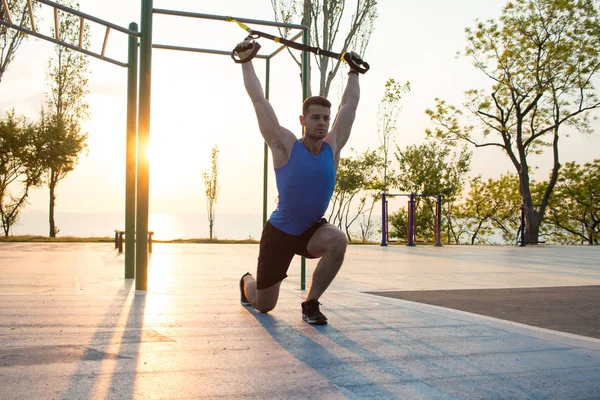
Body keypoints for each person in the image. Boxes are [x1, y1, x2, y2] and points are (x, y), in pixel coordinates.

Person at [235, 39, 361, 325]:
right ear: (303, 120)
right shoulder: (285, 146)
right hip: (279, 232)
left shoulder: (333, 147)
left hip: (310, 230)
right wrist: (246, 63)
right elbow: (259, 101)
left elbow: (350, 106)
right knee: (264, 305)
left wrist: (353, 72)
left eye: (326, 118)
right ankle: (246, 282)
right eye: (315, 117)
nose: (322, 122)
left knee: (338, 241)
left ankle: (311, 303)